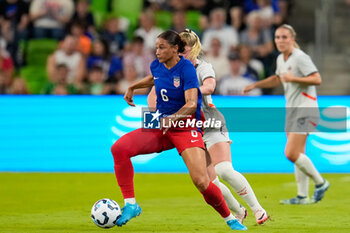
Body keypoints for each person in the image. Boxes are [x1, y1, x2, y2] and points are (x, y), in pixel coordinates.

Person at [111, 30, 247, 230]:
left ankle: (230, 218)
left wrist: (172, 119)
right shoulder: (157, 65)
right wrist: (133, 87)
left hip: (185, 126)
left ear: (175, 49)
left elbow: (192, 104)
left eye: (162, 47)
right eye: (156, 47)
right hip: (162, 125)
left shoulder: (187, 69)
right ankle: (131, 204)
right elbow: (154, 78)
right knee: (119, 149)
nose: (157, 51)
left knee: (201, 181)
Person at [148, 29, 268, 224]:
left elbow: (210, 87)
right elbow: (153, 95)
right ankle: (239, 211)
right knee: (209, 181)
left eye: (183, 49)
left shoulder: (203, 67)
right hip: (189, 126)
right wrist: (158, 110)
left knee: (224, 170)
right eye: (177, 49)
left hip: (210, 121)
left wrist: (188, 93)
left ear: (193, 50)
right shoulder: (167, 69)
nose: (179, 53)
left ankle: (258, 209)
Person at [243, 24, 330, 204]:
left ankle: (320, 182)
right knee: (299, 153)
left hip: (306, 108)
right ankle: (302, 196)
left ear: (292, 39)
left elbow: (317, 78)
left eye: (284, 37)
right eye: (277, 37)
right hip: (292, 109)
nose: (280, 41)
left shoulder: (300, 57)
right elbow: (277, 78)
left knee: (291, 153)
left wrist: (293, 79)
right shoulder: (282, 59)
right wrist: (256, 85)